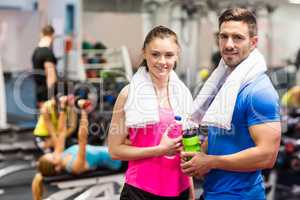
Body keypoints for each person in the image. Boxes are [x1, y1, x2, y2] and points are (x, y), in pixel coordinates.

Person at [181, 8, 281, 200]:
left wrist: (211, 161)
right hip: (214, 192)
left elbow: (267, 155)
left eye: (237, 37)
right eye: (223, 36)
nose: (228, 44)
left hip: (240, 195)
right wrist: (199, 155)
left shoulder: (258, 91)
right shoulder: (225, 82)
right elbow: (222, 133)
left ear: (253, 43)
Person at [108, 25, 195, 200]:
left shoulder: (183, 94)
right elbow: (115, 150)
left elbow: (187, 149)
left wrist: (191, 191)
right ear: (144, 53)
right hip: (140, 191)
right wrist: (159, 150)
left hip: (180, 188)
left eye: (169, 55)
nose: (162, 62)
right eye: (155, 54)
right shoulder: (128, 94)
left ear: (177, 55)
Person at [32, 99, 122, 200]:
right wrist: (84, 112)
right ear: (57, 168)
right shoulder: (75, 166)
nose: (54, 153)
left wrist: (62, 107)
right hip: (119, 160)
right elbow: (82, 140)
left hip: (115, 149)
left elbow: (61, 131)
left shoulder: (61, 155)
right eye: (53, 157)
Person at [33, 81, 78, 153]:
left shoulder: (71, 107)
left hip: (62, 135)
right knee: (52, 155)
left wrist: (61, 139)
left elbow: (72, 127)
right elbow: (52, 132)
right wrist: (56, 144)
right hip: (44, 136)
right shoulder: (46, 108)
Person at [32, 25, 58, 107]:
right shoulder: (47, 54)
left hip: (39, 91)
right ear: (52, 35)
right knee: (48, 118)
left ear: (42, 34)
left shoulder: (36, 51)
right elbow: (51, 76)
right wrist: (52, 96)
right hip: (46, 93)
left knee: (42, 118)